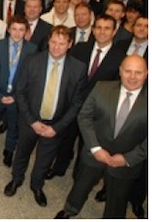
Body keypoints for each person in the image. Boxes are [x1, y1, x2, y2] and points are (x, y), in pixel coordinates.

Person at [55, 55, 147, 219]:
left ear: (146, 73)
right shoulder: (101, 88)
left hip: (126, 163)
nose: (132, 77)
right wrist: (96, 148)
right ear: (120, 71)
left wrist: (127, 158)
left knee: (118, 200)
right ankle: (70, 209)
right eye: (128, 71)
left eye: (138, 72)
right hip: (94, 153)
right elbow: (84, 116)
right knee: (80, 187)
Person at [4, 25, 87, 207]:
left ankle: (37, 185)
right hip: (30, 120)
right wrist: (32, 121)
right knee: (22, 153)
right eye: (54, 42)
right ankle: (16, 179)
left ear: (70, 44)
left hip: (55, 124)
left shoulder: (79, 69)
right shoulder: (32, 61)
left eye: (62, 43)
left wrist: (56, 128)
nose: (57, 47)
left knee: (44, 159)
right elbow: (21, 91)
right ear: (48, 41)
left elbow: (76, 104)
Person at [45, 14, 126, 180]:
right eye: (99, 27)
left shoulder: (120, 57)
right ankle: (59, 167)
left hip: (97, 111)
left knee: (88, 144)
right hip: (72, 104)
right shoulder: (80, 48)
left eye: (107, 28)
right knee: (65, 139)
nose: (102, 32)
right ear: (93, 30)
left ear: (114, 31)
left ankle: (79, 176)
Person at [0, 16, 37, 166]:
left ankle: (9, 150)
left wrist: (15, 96)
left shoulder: (32, 49)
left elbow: (30, 78)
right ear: (8, 29)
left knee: (14, 125)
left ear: (26, 31)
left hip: (17, 97)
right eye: (14, 29)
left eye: (21, 30)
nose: (17, 33)